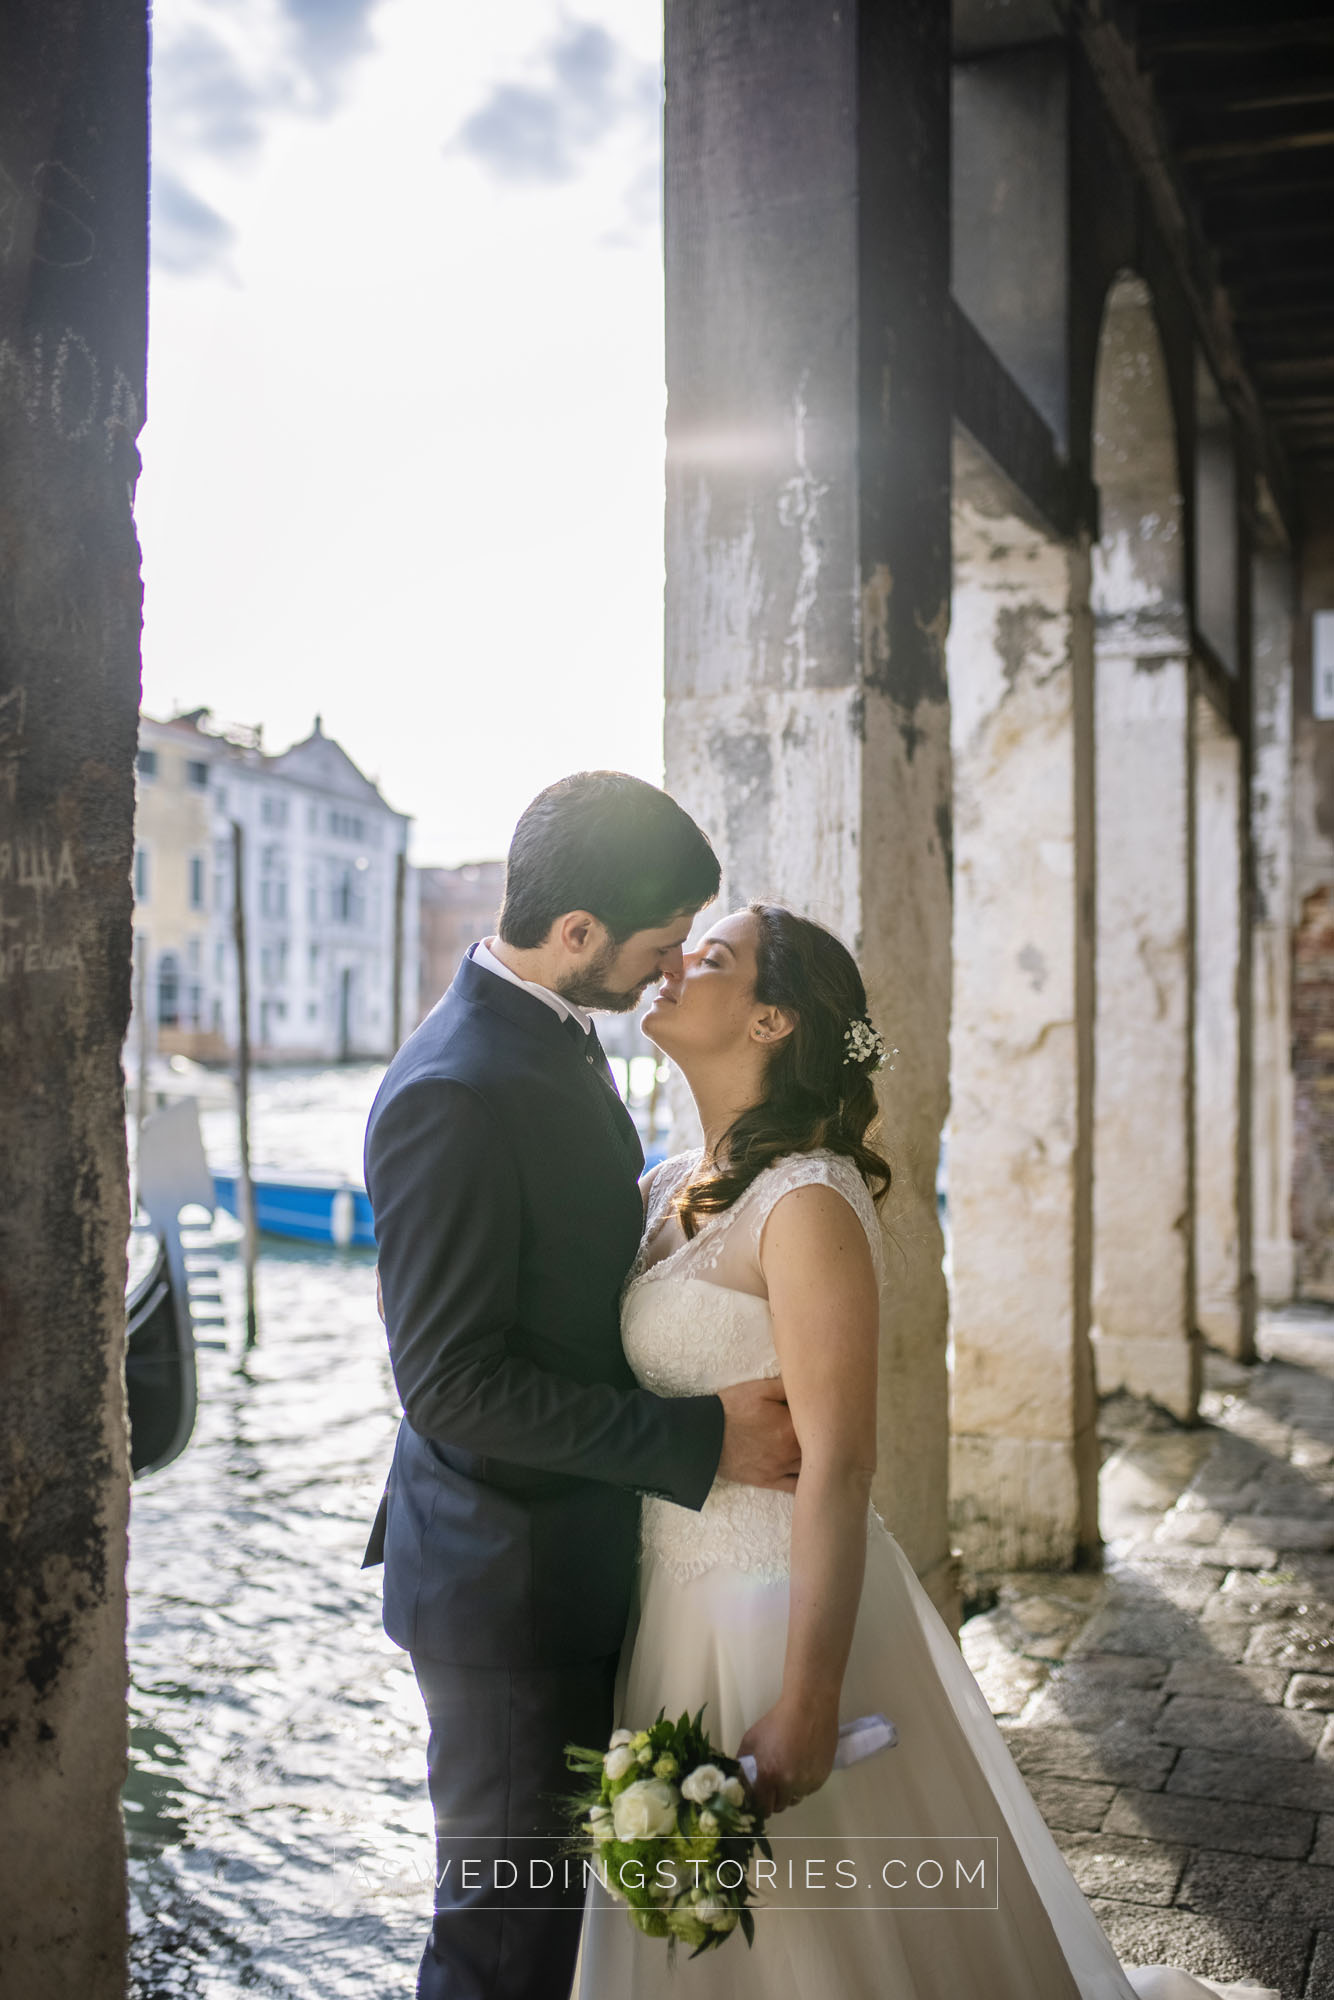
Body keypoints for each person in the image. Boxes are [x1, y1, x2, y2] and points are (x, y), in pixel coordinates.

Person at [573, 902, 1279, 2000]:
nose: (672, 965)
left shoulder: (806, 1200)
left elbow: (842, 1463)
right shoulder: (662, 1187)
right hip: (664, 1601)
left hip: (776, 1611)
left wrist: (809, 1699)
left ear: (770, 1020)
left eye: (709, 957)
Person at [363, 775, 803, 2000]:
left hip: (561, 1553)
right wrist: (700, 1436)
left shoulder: (548, 1032)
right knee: (502, 1944)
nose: (670, 969)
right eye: (661, 943)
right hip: (502, 1583)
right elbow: (450, 1385)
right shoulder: (454, 1088)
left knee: (547, 1930)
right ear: (575, 932)